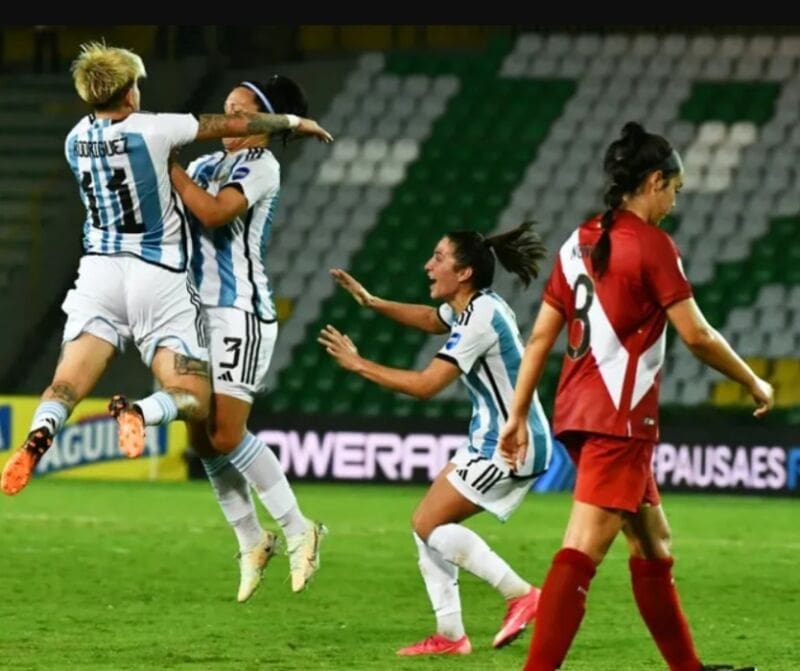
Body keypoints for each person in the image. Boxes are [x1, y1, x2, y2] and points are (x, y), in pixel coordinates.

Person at [0, 41, 332, 497]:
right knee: (193, 396)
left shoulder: (74, 139)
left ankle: (41, 433)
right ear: (130, 92)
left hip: (97, 272)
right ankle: (143, 412)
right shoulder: (157, 130)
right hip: (157, 273)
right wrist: (294, 122)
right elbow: (234, 124)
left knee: (64, 382)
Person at [498, 122, 772, 671]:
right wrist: (753, 379)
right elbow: (697, 334)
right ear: (653, 182)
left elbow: (540, 338)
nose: (675, 201)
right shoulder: (651, 245)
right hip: (618, 419)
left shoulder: (579, 241)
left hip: (579, 410)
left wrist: (519, 412)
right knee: (582, 548)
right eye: (675, 189)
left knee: (653, 543)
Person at [319, 222, 552, 656]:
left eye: (439, 258)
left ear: (464, 273)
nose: (429, 266)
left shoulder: (480, 317)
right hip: (489, 439)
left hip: (510, 444)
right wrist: (372, 302)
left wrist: (358, 365)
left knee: (429, 524)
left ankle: (521, 594)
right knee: (424, 525)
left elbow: (428, 385)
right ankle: (450, 636)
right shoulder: (473, 307)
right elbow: (430, 319)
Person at [168, 76, 326, 601]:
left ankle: (301, 527)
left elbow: (214, 214)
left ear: (262, 120)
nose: (228, 118)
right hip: (194, 312)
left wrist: (165, 166)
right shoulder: (205, 166)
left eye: (240, 110)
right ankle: (252, 539)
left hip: (240, 312)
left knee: (228, 433)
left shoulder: (262, 166)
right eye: (226, 107)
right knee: (198, 434)